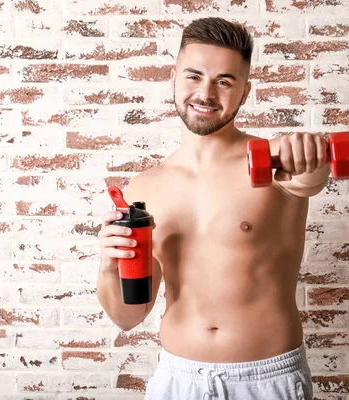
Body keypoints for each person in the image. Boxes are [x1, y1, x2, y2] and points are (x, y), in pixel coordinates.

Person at [97, 17, 330, 400]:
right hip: (177, 379)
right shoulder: (146, 186)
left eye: (224, 81)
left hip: (264, 381)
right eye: (194, 76)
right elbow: (128, 317)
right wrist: (109, 263)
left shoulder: (274, 160)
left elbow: (310, 177)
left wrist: (308, 153)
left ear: (244, 91)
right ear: (173, 77)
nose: (205, 93)